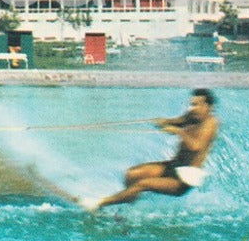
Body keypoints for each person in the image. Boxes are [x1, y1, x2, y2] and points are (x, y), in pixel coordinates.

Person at [88, 88, 219, 210]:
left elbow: (196, 146)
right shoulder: (193, 115)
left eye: (197, 105)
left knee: (142, 184)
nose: (193, 108)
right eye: (192, 104)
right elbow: (178, 121)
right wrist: (164, 122)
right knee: (131, 174)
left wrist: (179, 132)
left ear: (209, 107)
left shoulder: (210, 124)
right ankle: (127, 205)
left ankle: (98, 204)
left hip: (185, 178)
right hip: (173, 166)